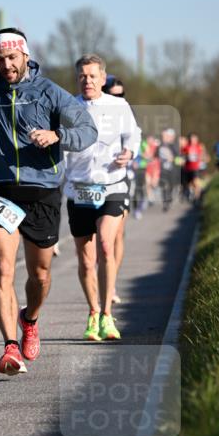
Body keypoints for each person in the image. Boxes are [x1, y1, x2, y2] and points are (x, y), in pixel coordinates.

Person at [0, 27, 98, 374]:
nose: (6, 65)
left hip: (42, 191)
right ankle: (9, 347)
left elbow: (88, 131)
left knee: (39, 275)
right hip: (2, 191)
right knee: (4, 270)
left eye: (12, 58)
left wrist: (58, 135)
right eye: (0, 59)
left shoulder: (49, 92)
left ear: (25, 55)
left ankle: (30, 318)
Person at [64, 55, 141, 342]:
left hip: (112, 184)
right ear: (77, 79)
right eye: (82, 76)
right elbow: (59, 150)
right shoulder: (68, 107)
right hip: (79, 189)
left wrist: (129, 153)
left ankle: (108, 314)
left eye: (93, 76)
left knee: (106, 245)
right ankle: (93, 311)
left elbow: (134, 136)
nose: (87, 81)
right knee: (85, 261)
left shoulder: (118, 106)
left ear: (103, 78)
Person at [103, 75, 134, 301]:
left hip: (121, 179)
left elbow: (135, 139)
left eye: (121, 95)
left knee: (116, 235)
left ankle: (111, 282)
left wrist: (130, 152)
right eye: (114, 95)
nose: (119, 98)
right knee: (98, 239)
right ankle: (102, 276)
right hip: (95, 179)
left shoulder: (125, 112)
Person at [158, 128, 180, 211]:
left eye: (165, 135)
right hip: (163, 169)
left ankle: (169, 198)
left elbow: (178, 156)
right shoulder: (159, 145)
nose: (163, 137)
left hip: (172, 169)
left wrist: (172, 158)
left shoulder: (173, 145)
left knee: (171, 186)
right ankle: (165, 202)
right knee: (164, 185)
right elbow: (155, 155)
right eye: (162, 136)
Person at [181, 132, 207, 202]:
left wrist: (203, 158)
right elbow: (182, 156)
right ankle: (195, 195)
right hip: (187, 168)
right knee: (190, 184)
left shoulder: (199, 147)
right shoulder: (186, 147)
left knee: (196, 182)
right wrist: (182, 160)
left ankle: (198, 197)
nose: (193, 140)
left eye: (195, 139)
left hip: (196, 168)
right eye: (192, 139)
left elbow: (204, 156)